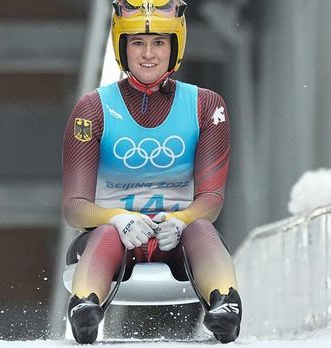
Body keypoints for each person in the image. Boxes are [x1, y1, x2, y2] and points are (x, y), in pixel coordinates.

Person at [62, 0, 242, 344]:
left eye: (158, 42)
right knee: (105, 234)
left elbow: (212, 199)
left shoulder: (207, 106)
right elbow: (74, 206)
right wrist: (117, 218)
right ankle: (85, 306)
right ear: (121, 46)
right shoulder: (92, 108)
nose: (148, 54)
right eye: (137, 43)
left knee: (203, 228)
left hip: (179, 236)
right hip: (113, 239)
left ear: (175, 46)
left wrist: (182, 219)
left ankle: (225, 304)